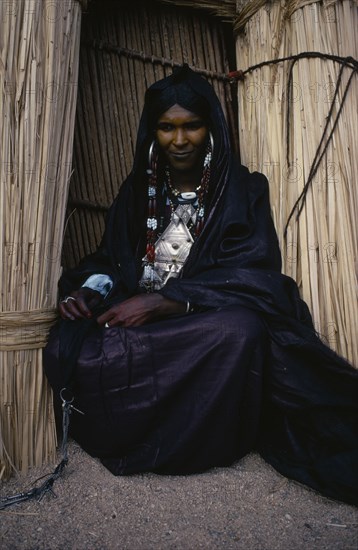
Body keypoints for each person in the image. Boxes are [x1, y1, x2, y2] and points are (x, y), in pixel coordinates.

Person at [44, 65, 358, 505]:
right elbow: (109, 258)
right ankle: (145, 429)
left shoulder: (242, 191)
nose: (179, 139)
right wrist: (91, 290)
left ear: (210, 127)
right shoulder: (139, 190)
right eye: (166, 127)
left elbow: (256, 275)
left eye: (191, 125)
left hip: (199, 331)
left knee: (242, 331)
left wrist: (168, 303)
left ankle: (202, 437)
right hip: (138, 324)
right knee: (62, 346)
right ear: (152, 132)